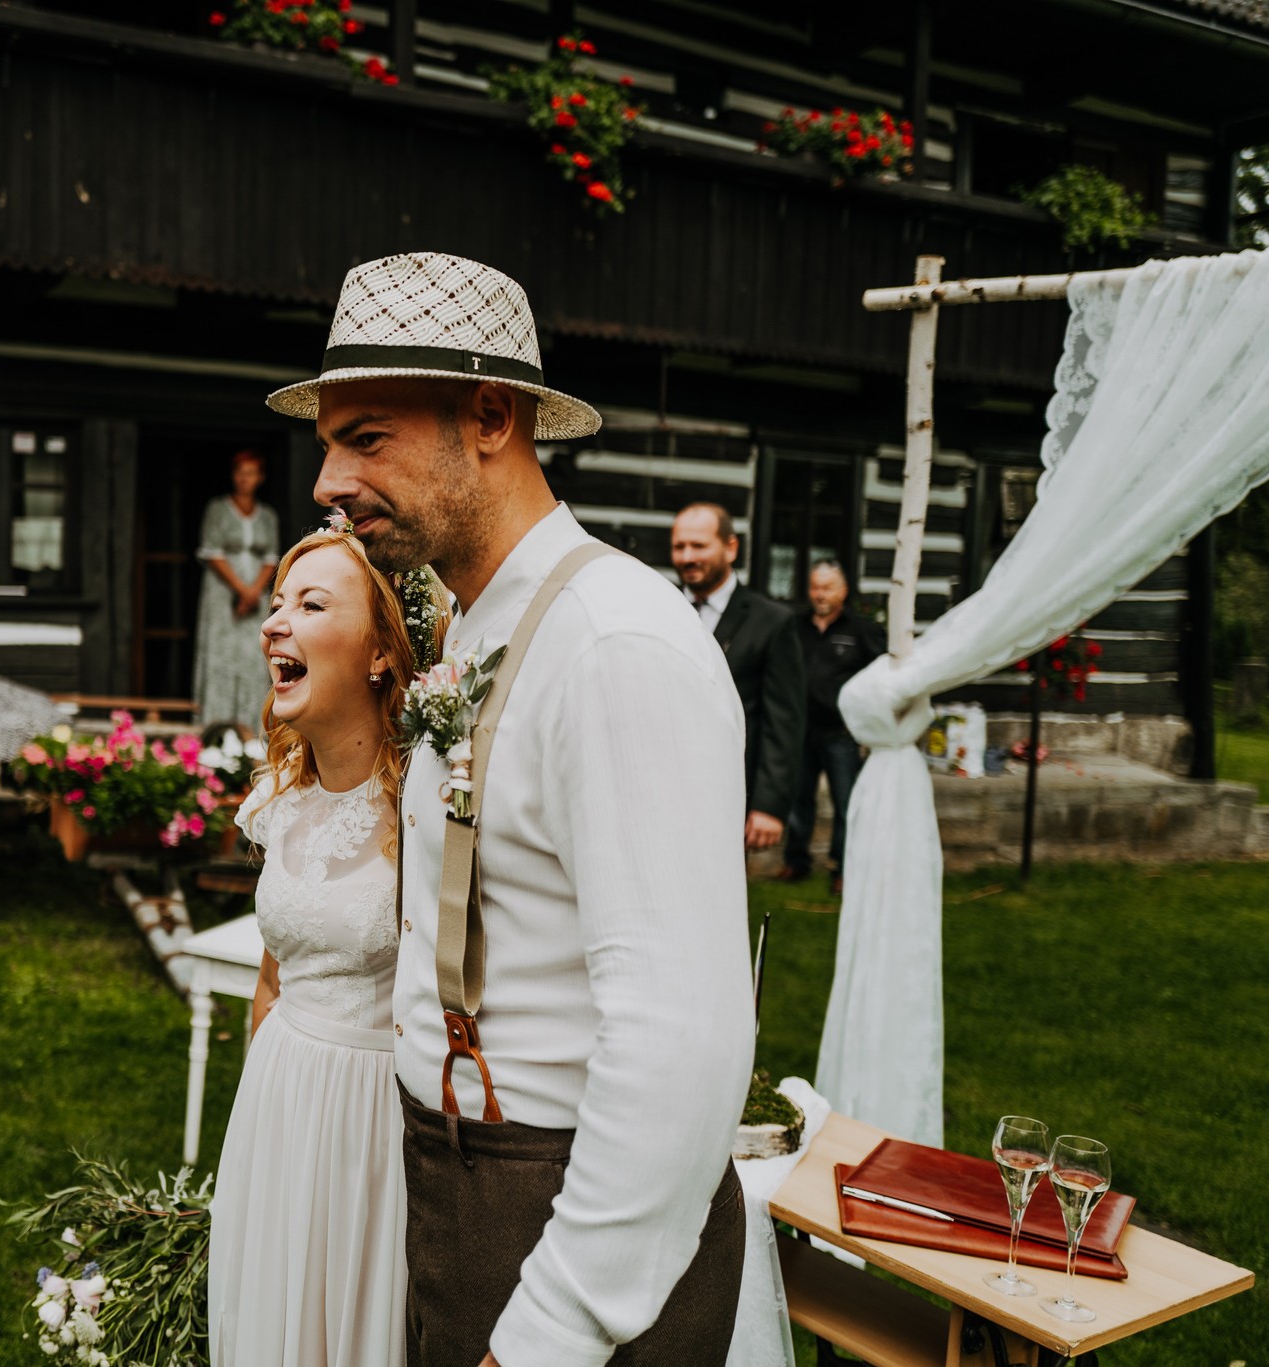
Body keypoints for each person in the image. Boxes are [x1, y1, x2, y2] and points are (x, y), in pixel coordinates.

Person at [274, 252, 753, 1367]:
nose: (329, 481)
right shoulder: (476, 624)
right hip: (461, 1184)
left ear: (490, 417)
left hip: (568, 1213)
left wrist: (557, 1327)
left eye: (367, 437)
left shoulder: (615, 644)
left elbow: (679, 1034)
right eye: (330, 444)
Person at [207, 521, 437, 1366]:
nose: (274, 623)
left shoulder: (428, 812)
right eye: (276, 604)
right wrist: (262, 1115)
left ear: (380, 652)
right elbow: (273, 981)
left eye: (309, 605)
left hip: (377, 1128)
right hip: (278, 1104)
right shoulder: (281, 800)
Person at [671, 503, 806, 856]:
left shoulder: (772, 621)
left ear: (730, 547)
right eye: (679, 546)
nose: (687, 557)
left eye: (699, 546)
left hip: (729, 790)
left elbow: (784, 721)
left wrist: (769, 804)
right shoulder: (660, 606)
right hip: (663, 783)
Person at [781, 560, 884, 891]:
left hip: (841, 732)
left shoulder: (860, 630)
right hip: (802, 729)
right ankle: (796, 862)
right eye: (815, 587)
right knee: (799, 799)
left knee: (846, 802)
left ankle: (843, 867)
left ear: (843, 591)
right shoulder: (795, 627)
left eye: (827, 588)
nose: (820, 594)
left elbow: (879, 676)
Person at [193, 450, 279, 729]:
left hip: (256, 595)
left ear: (260, 478)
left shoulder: (267, 516)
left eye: (251, 473)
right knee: (222, 654)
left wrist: (253, 592)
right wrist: (242, 590)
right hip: (222, 593)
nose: (245, 479)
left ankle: (251, 727)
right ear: (233, 475)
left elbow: (271, 557)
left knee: (253, 654)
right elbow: (212, 552)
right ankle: (215, 726)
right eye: (240, 473)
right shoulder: (217, 509)